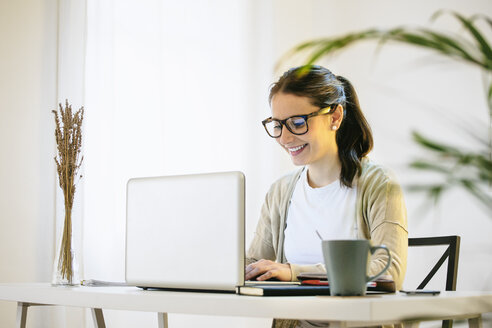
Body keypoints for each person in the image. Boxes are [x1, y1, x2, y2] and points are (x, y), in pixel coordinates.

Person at [245, 65, 408, 328]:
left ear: (334, 117)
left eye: (297, 123)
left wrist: (293, 272)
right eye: (277, 125)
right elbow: (254, 264)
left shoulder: (379, 184)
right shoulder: (280, 191)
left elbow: (388, 273)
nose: (285, 137)